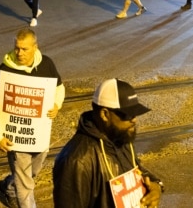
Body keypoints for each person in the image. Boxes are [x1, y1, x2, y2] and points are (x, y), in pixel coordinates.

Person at [0, 28, 65, 208]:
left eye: (24, 49)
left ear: (35, 47)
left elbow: (59, 88)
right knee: (26, 185)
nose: (19, 53)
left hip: (39, 137)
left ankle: (10, 187)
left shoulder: (47, 64)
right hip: (15, 140)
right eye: (17, 48)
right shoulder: (3, 72)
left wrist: (57, 104)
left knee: (30, 173)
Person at [53, 78, 163, 208]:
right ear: (105, 114)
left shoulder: (120, 136)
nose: (134, 120)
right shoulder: (77, 161)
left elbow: (137, 171)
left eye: (135, 113)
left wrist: (156, 186)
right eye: (127, 115)